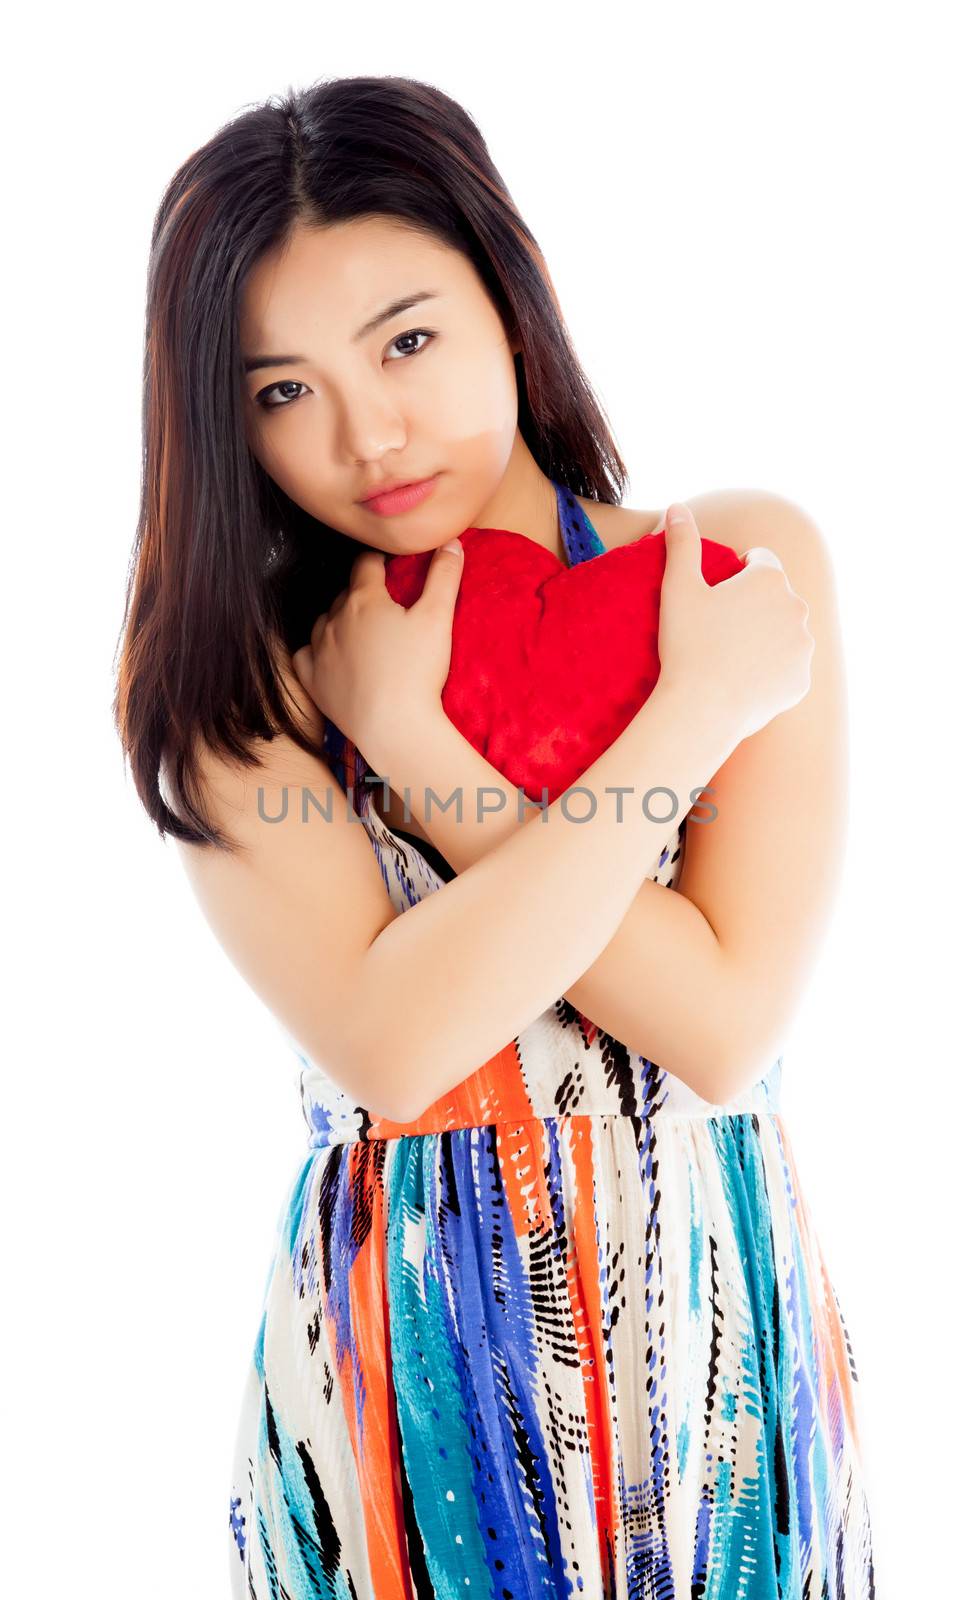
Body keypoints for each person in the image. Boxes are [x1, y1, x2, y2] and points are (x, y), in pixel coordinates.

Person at [113, 73, 876, 1600]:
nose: (367, 432)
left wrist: (421, 753)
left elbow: (720, 1026)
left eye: (407, 340)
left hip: (716, 1337)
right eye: (282, 390)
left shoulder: (726, 574)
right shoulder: (233, 671)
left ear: (509, 304)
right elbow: (400, 1045)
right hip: (415, 1374)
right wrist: (679, 730)